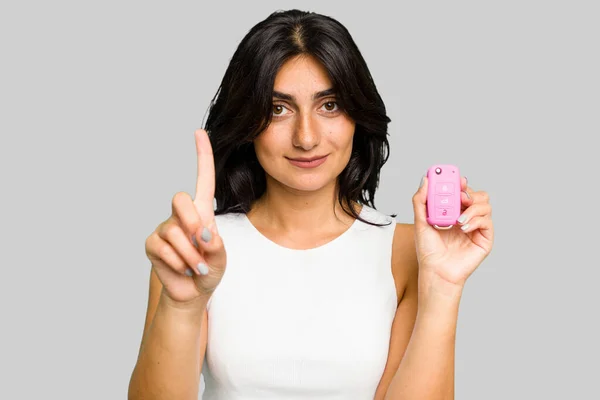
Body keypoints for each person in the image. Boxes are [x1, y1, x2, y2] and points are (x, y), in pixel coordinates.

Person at [128, 9, 494, 400]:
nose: (306, 137)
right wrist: (182, 307)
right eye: (278, 109)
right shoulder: (194, 251)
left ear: (358, 115)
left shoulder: (408, 253)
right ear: (248, 121)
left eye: (330, 105)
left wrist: (442, 288)